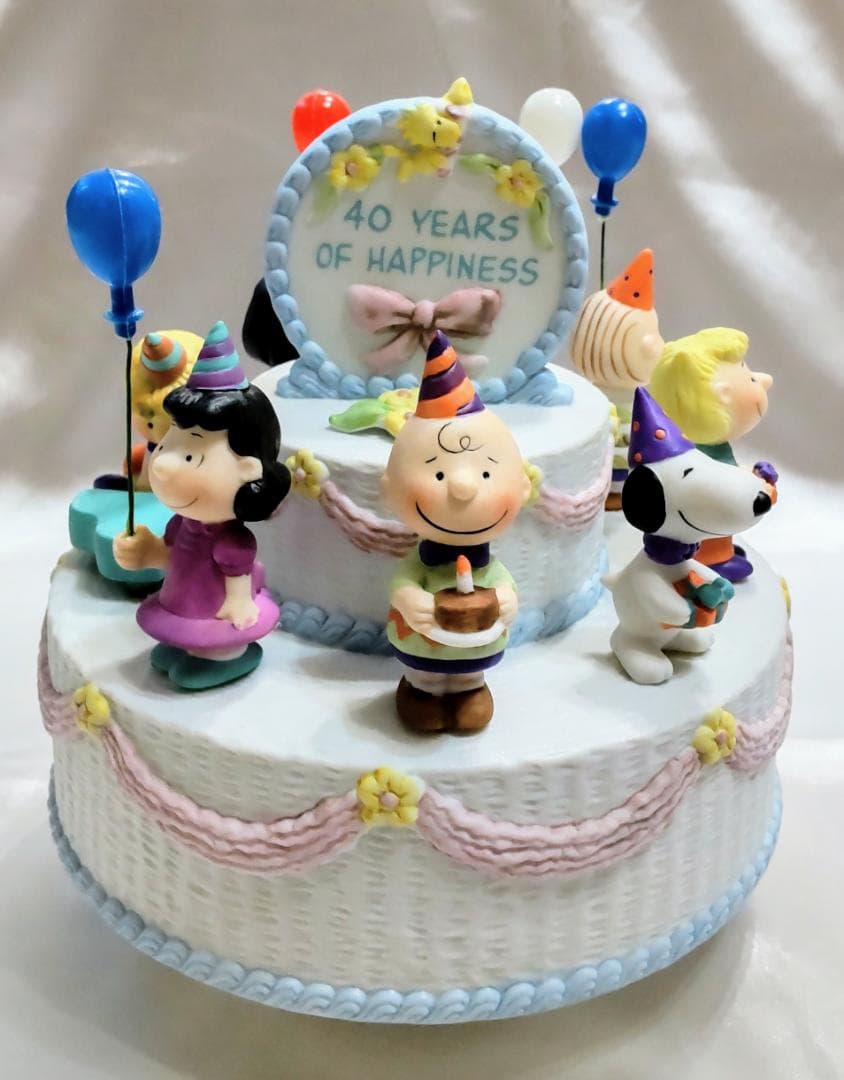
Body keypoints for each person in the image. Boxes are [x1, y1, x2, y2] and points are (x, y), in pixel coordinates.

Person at [114, 321, 291, 689]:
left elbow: (238, 576)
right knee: (180, 630)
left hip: (215, 611)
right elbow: (172, 557)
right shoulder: (182, 523)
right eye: (168, 444)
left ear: (248, 469)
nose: (162, 464)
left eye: (190, 456)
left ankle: (226, 657)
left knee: (214, 640)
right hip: (183, 600)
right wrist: (148, 553)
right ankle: (186, 646)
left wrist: (239, 605)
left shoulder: (231, 541)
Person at [381, 330, 530, 734]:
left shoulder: (488, 566)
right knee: (424, 675)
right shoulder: (421, 562)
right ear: (388, 489)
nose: (463, 487)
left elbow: (503, 582)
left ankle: (468, 689)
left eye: (486, 474)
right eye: (438, 474)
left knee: (469, 676)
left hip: (477, 643)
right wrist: (409, 597)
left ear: (523, 487)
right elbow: (403, 581)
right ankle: (421, 690)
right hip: (423, 641)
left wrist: (505, 599)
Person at [648, 327, 776, 582]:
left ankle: (720, 552)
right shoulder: (697, 460)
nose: (765, 379)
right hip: (701, 528)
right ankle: (714, 560)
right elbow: (723, 491)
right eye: (751, 379)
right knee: (711, 526)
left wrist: (752, 476)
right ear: (722, 394)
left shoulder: (694, 451)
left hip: (707, 524)